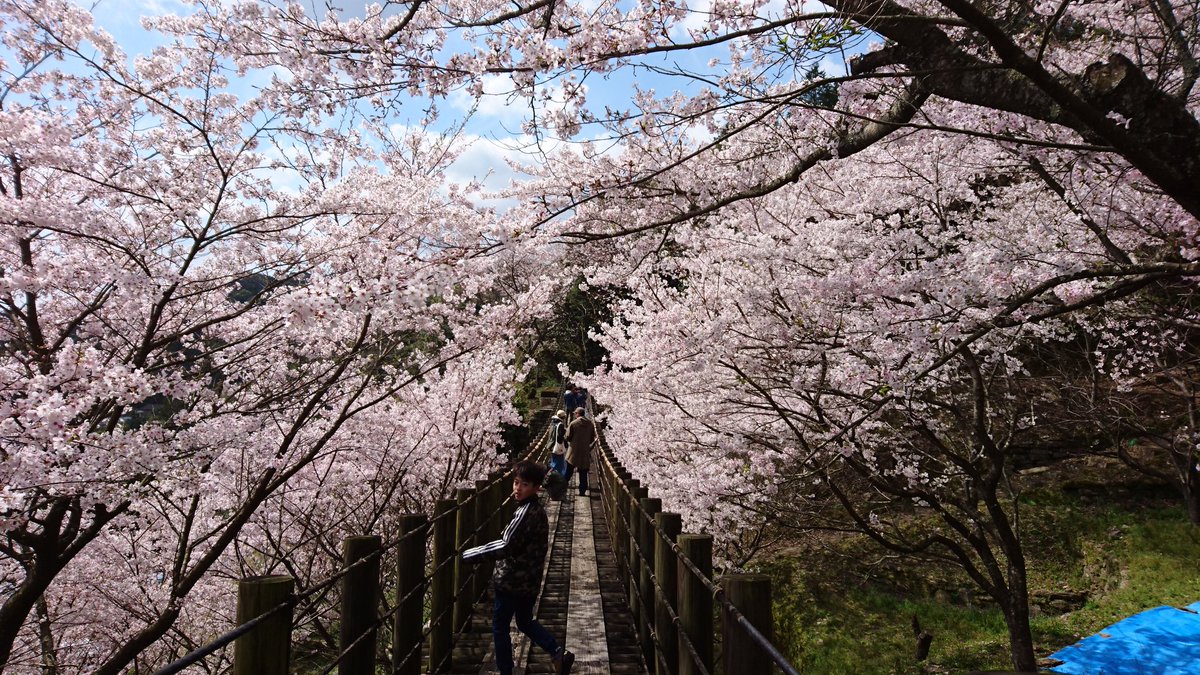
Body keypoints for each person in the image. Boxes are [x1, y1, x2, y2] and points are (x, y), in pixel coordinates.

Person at [463, 461, 575, 675]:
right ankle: (557, 651)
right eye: (515, 483)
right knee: (524, 621)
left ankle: (506, 670)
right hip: (530, 581)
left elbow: (506, 544)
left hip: (511, 581)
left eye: (524, 484)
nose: (517, 488)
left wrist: (469, 555)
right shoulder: (538, 511)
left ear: (536, 487)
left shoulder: (525, 513)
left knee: (500, 625)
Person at [564, 407, 596, 496]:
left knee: (568, 472)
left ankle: (562, 487)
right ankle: (582, 491)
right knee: (583, 473)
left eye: (575, 413)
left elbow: (567, 437)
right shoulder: (590, 424)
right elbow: (591, 438)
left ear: (578, 413)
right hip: (585, 451)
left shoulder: (573, 423)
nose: (574, 415)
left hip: (573, 451)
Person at [549, 410, 568, 477]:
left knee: (553, 460)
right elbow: (560, 436)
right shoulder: (560, 424)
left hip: (551, 445)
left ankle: (552, 475)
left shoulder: (553, 423)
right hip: (557, 446)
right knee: (558, 462)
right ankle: (555, 475)